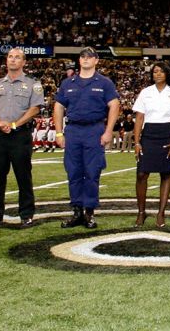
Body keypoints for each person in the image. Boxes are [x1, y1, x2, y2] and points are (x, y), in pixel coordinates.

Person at [53, 47, 121, 229]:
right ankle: (76, 211)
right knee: (73, 172)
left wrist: (108, 131)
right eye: (82, 56)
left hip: (94, 129)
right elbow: (58, 107)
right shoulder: (68, 83)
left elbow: (114, 105)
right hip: (74, 130)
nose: (85, 59)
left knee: (92, 172)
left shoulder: (104, 82)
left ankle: (89, 212)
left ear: (96, 60)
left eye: (89, 57)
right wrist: (59, 132)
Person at [0, 47, 44, 227]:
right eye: (10, 57)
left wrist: (15, 124)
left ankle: (26, 214)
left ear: (24, 62)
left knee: (23, 176)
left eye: (17, 57)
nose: (13, 60)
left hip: (20, 135)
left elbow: (35, 108)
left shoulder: (33, 84)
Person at [132, 62, 170, 228]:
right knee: (142, 174)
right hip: (149, 133)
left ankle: (161, 212)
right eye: (155, 71)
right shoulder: (145, 92)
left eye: (161, 71)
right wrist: (137, 141)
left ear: (167, 74)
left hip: (167, 133)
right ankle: (141, 212)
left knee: (165, 173)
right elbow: (139, 118)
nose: (158, 74)